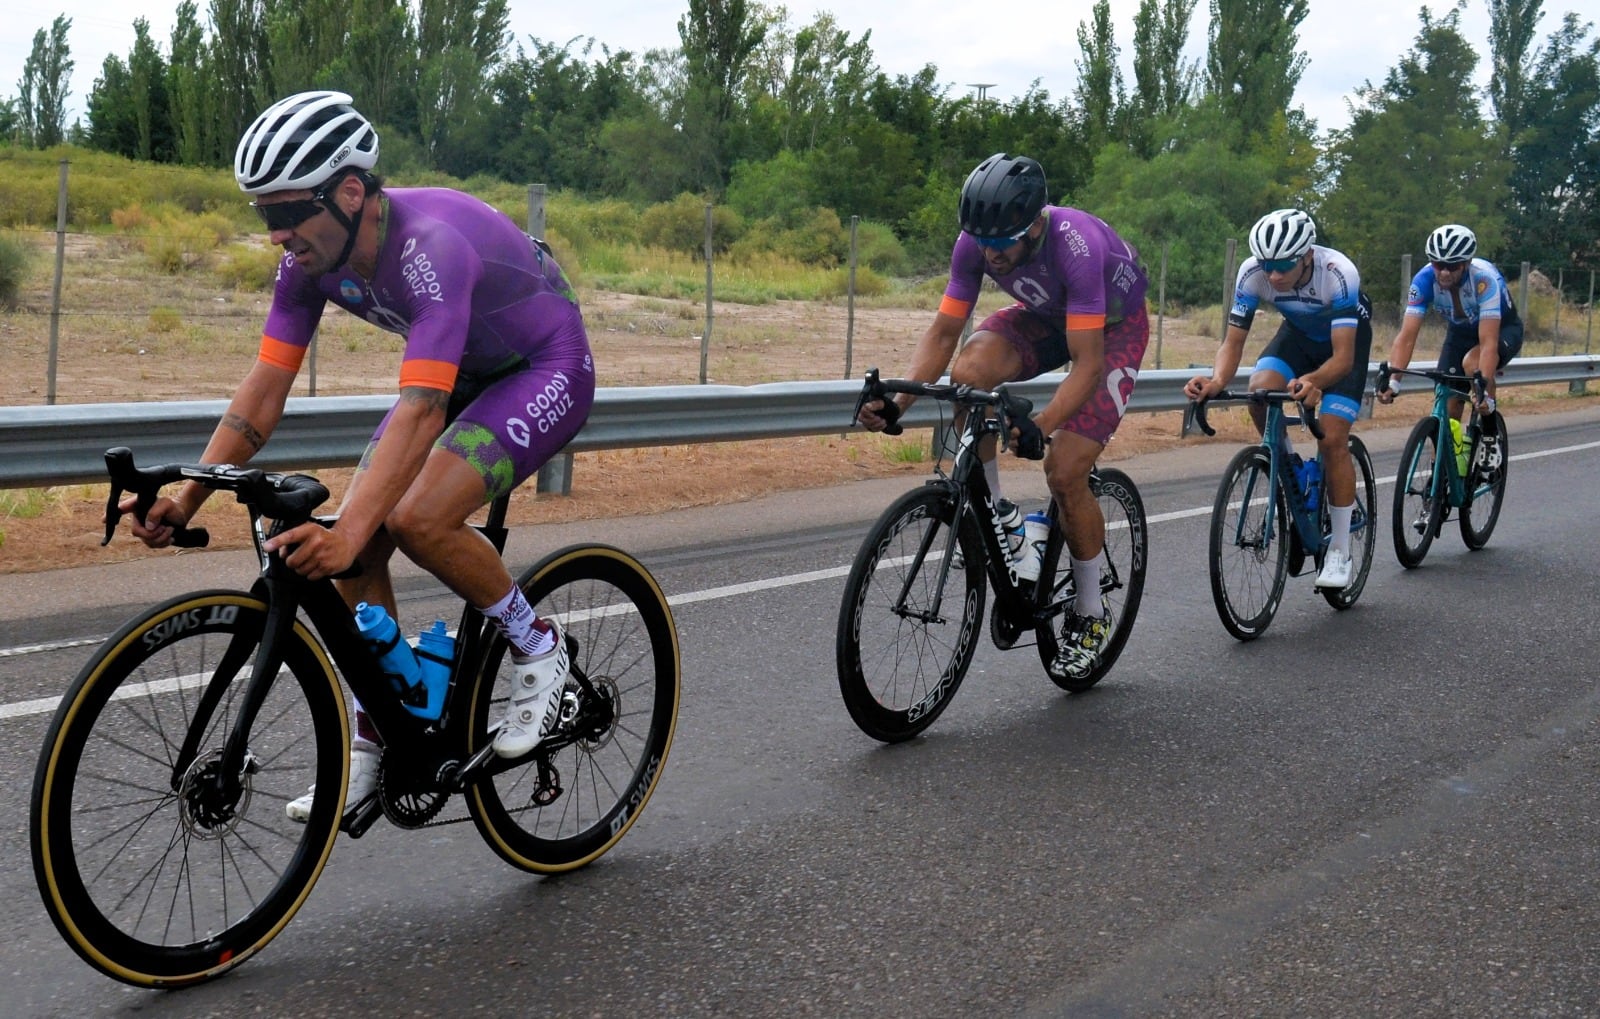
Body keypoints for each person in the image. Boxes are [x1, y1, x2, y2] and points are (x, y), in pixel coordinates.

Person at [118, 90, 596, 820]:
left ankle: (538, 647)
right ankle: (384, 728)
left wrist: (347, 532)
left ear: (349, 193)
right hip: (466, 367)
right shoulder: (307, 262)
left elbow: (423, 406)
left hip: (542, 363)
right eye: (262, 216)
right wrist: (188, 496)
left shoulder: (429, 247)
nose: (276, 235)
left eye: (286, 214)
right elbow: (266, 385)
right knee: (360, 537)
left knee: (413, 520)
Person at [855, 152, 1149, 683]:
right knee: (969, 375)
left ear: (1035, 225)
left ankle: (1089, 612)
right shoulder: (976, 240)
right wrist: (900, 405)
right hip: (1046, 317)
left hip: (1110, 333)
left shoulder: (1076, 247)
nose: (991, 256)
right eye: (982, 245)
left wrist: (1043, 424)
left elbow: (1087, 364)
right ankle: (1003, 518)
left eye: (1001, 244)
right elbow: (946, 334)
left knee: (1064, 470)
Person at [1183, 208, 1373, 590]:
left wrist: (1313, 380)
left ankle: (1338, 548)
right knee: (1258, 391)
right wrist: (1217, 379)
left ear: (1307, 256)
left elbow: (1342, 359)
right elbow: (1233, 341)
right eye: (1267, 265)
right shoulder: (1253, 273)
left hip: (1342, 349)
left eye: (1283, 266)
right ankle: (1293, 469)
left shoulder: (1338, 273)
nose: (1273, 276)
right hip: (1298, 337)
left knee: (1333, 438)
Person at [1376, 224, 1523, 430]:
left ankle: (1490, 433)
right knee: (1446, 407)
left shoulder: (1484, 281)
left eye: (1453, 266)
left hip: (1502, 329)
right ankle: (1445, 458)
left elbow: (1488, 343)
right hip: (1460, 333)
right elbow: (1407, 336)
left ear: (1467, 262)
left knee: (1473, 364)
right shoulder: (1423, 280)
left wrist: (1484, 388)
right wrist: (1394, 381)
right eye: (1438, 264)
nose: (1444, 272)